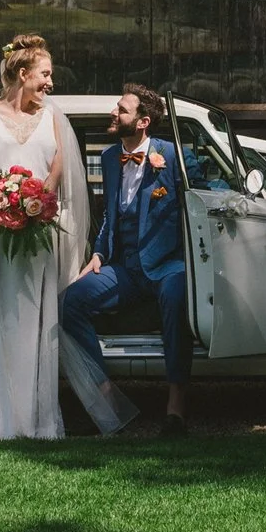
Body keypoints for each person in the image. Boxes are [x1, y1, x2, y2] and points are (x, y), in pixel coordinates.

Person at [0, 34, 90, 442]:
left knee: (33, 318)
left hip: (37, 229)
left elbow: (59, 165)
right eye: (46, 74)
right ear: (24, 73)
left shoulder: (52, 117)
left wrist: (38, 200)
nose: (51, 83)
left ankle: (32, 420)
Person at [61, 83, 192, 436]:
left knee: (177, 298)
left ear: (143, 122)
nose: (113, 113)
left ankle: (176, 408)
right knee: (71, 301)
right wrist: (99, 253)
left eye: (121, 110)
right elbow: (110, 216)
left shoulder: (172, 154)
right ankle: (107, 399)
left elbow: (207, 190)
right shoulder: (108, 158)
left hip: (167, 265)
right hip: (125, 266)